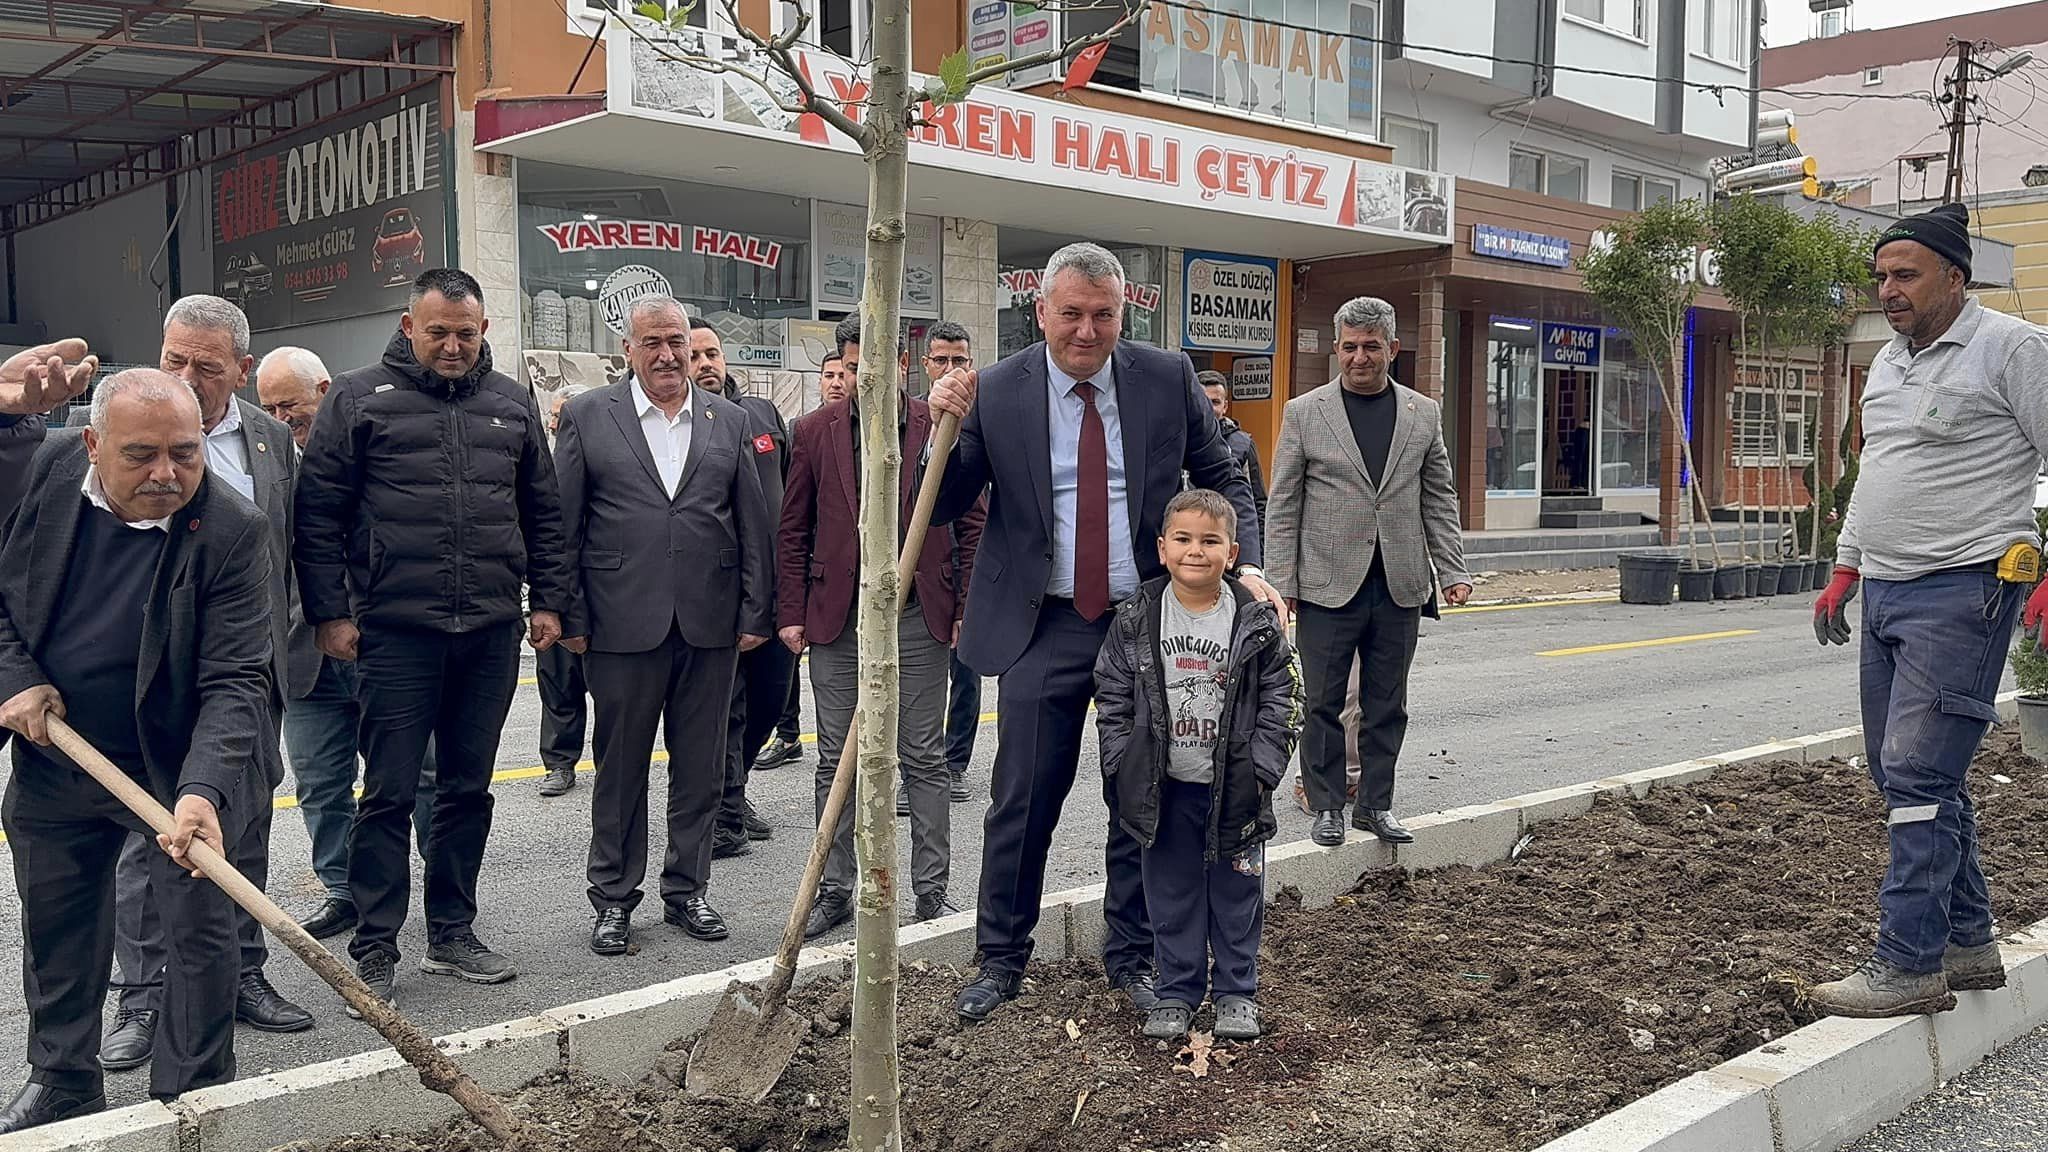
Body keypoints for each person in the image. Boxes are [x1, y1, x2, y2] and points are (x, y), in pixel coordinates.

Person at [924, 242, 1275, 1023]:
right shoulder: (999, 389)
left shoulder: (1165, 376)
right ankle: (1001, 958)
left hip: (1144, 624)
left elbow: (1222, 475)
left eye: (1103, 315)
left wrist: (1246, 566)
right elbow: (945, 500)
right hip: (1040, 624)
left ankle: (1133, 954)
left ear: (1125, 312)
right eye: (1072, 314)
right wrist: (938, 429)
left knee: (1141, 797)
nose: (1086, 331)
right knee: (1021, 799)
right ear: (1042, 311)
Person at [0, 367, 270, 1131]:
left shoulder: (234, 530)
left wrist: (203, 791)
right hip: (62, 751)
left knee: (197, 936)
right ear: (91, 445)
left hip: (176, 760)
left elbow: (237, 679)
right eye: (142, 454)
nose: (166, 474)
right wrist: (14, 675)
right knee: (58, 925)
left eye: (185, 454)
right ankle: (63, 1078)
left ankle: (192, 1098)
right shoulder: (48, 472)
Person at [294, 268, 571, 1010]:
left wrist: (548, 602)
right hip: (393, 633)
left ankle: (452, 931)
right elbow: (317, 516)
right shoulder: (356, 399)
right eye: (438, 331)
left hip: (486, 631)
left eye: (467, 332)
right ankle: (375, 944)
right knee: (385, 794)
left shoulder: (512, 403)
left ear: (483, 331)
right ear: (409, 326)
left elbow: (543, 514)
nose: (453, 345)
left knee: (465, 790)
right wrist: (331, 613)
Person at [1810, 202, 2048, 1017]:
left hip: (1967, 586)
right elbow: (1882, 473)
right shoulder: (1889, 361)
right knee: (1905, 772)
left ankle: (1908, 962)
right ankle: (1969, 943)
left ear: (1956, 275)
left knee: (1918, 771)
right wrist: (1845, 570)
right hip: (1886, 588)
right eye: (1881, 276)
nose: (1889, 290)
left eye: (1905, 274)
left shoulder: (2012, 349)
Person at [99, 298, 310, 1068]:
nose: (184, 376)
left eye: (206, 367)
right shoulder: (129, 438)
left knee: (242, 821)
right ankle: (146, 996)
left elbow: (297, 542)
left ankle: (240, 974)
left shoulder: (268, 439)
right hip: (150, 678)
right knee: (147, 834)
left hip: (249, 668)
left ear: (242, 372)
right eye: (174, 359)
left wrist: (316, 626)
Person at [556, 295, 773, 956]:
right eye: (651, 342)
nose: (667, 354)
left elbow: (753, 521)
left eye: (676, 340)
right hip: (620, 625)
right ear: (628, 350)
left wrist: (755, 610)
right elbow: (564, 525)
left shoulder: (728, 420)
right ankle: (614, 899)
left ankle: (688, 890)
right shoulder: (591, 417)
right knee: (620, 768)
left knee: (702, 769)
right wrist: (567, 613)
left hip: (710, 625)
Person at [780, 315, 984, 937]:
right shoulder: (814, 432)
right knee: (833, 759)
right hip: (838, 618)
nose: (862, 375)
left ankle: (930, 890)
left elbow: (971, 523)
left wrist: (965, 608)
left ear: (902, 362)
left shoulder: (940, 424)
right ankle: (835, 888)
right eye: (849, 366)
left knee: (922, 755)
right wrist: (790, 612)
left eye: (874, 363)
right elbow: (793, 527)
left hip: (922, 613)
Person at [1093, 488, 1299, 1043]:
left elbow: (1285, 694)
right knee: (1171, 893)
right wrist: (1122, 759)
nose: (1196, 551)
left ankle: (1236, 992)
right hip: (1165, 791)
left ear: (1232, 552)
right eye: (1183, 539)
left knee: (1237, 894)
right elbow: (1112, 691)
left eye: (1211, 541)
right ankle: (1178, 991)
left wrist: (1262, 767)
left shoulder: (1253, 621)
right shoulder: (1137, 617)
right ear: (1162, 548)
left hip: (1235, 789)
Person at [1266, 296, 1469, 850]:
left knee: (1387, 705)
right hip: (1327, 586)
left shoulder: (1421, 414)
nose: (1360, 357)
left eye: (1371, 347)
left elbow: (1439, 498)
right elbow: (1282, 505)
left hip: (1400, 584)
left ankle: (1376, 805)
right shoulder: (1304, 412)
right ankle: (1328, 804)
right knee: (1322, 704)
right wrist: (1281, 588)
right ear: (1336, 349)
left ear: (1393, 349)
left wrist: (1452, 569)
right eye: (1350, 347)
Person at [256, 347, 438, 944]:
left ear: (325, 389)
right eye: (270, 407)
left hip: (382, 645)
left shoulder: (372, 445)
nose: (283, 418)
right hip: (303, 655)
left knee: (416, 776)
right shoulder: (265, 465)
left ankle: (444, 888)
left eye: (291, 404)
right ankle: (343, 892)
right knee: (320, 784)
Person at [690, 317, 789, 856]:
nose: (706, 364)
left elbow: (791, 494)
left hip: (772, 591)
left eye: (713, 353)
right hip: (717, 597)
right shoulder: (685, 423)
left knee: (770, 703)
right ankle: (724, 811)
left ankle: (736, 786)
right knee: (724, 709)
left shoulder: (761, 414)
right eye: (696, 355)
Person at [924, 322, 986, 805]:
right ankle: (918, 763)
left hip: (960, 575)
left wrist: (968, 599)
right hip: (912, 580)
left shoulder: (978, 421)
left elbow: (974, 523)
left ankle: (955, 763)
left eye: (959, 361)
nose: (951, 370)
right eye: (941, 360)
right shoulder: (907, 420)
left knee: (963, 674)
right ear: (925, 365)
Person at [536, 383, 593, 797]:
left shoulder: (605, 457)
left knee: (611, 688)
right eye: (554, 416)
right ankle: (559, 762)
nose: (556, 422)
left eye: (564, 415)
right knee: (557, 683)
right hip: (555, 587)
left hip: (603, 591)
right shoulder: (541, 462)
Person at [1196, 369, 1266, 529]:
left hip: (1230, 536)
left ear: (1225, 406)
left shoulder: (1243, 444)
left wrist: (1259, 551)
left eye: (1215, 402)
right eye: (1203, 401)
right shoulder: (1179, 440)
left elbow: (1258, 502)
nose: (1209, 408)